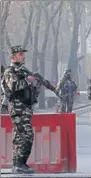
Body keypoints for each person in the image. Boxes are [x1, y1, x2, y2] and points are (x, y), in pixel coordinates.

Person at [1, 45, 60, 174]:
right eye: (20, 54)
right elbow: (14, 86)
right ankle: (19, 164)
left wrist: (43, 85)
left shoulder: (23, 71)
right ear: (13, 57)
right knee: (25, 135)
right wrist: (28, 80)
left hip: (25, 108)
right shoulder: (10, 71)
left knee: (22, 136)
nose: (23, 56)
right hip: (17, 108)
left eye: (23, 54)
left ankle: (19, 164)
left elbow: (35, 81)